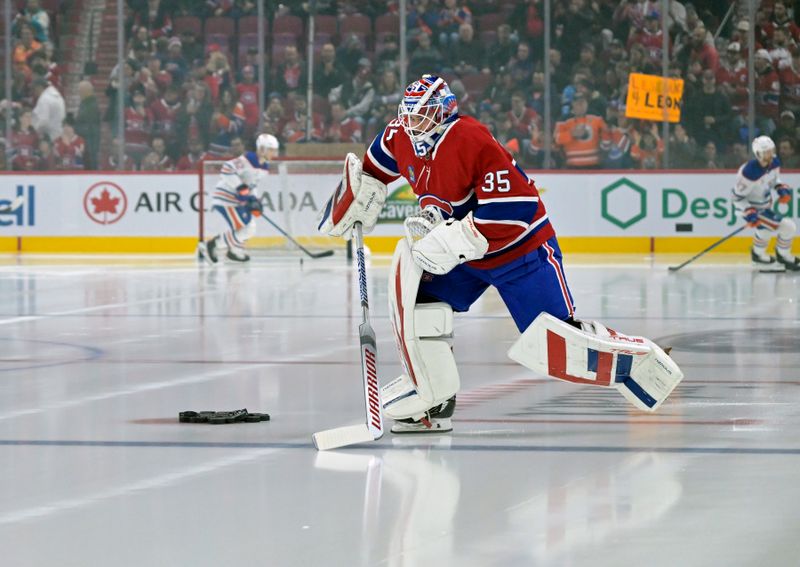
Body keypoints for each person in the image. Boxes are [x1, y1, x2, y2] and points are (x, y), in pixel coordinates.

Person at [318, 75, 683, 434]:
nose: (413, 124)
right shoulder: (399, 135)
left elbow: (517, 208)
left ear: (444, 111)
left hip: (519, 253)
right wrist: (357, 197)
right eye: (409, 115)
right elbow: (370, 172)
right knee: (418, 307)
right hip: (466, 260)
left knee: (556, 343)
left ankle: (644, 364)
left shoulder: (470, 139)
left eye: (422, 115)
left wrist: (450, 238)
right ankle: (432, 403)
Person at [197, 134, 279, 264]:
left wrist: (254, 200)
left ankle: (234, 250)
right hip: (226, 198)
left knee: (248, 226)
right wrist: (239, 186)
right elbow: (227, 168)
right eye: (271, 149)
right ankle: (211, 246)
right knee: (247, 228)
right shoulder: (248, 159)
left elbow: (252, 185)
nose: (274, 153)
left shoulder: (264, 167)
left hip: (236, 201)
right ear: (262, 149)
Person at [732, 136, 800, 271]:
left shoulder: (774, 162)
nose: (770, 155)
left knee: (766, 230)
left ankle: (761, 256)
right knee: (788, 227)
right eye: (766, 152)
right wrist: (749, 212)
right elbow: (737, 198)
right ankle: (779, 256)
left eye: (771, 151)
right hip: (751, 209)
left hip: (763, 207)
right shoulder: (749, 172)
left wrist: (781, 188)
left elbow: (774, 180)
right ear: (758, 154)